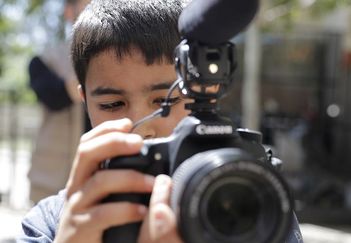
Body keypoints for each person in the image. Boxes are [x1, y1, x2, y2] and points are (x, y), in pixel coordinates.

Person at [19, 0, 303, 242]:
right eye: (112, 104)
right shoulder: (54, 222)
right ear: (85, 100)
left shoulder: (257, 205)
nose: (142, 126)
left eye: (166, 101)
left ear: (208, 92)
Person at [27, 0, 91, 203]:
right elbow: (54, 98)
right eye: (87, 5)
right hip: (51, 179)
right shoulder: (44, 61)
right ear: (68, 12)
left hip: (100, 176)